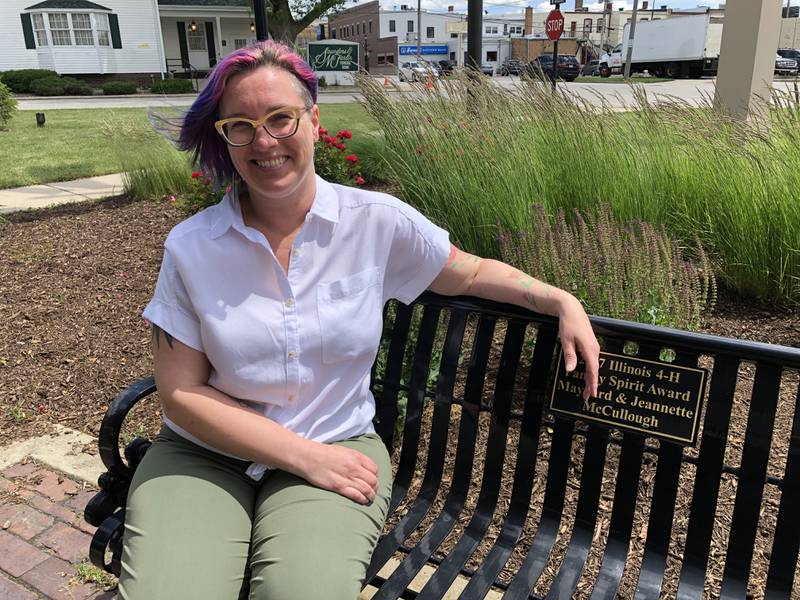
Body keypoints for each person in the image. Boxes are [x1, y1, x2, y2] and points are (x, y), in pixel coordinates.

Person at [119, 40, 599, 599]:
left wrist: (558, 298)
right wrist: (302, 455)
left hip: (336, 440)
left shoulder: (376, 223)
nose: (265, 141)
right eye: (241, 126)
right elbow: (181, 397)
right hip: (207, 454)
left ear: (314, 121)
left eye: (281, 118)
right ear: (225, 140)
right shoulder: (192, 246)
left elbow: (466, 274)